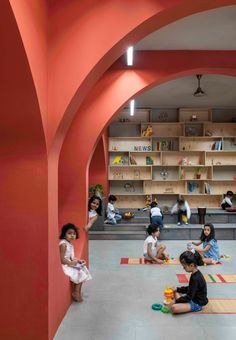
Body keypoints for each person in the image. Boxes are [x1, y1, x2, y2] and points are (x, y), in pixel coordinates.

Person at [59, 223, 92, 302]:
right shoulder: (63, 245)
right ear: (64, 235)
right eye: (69, 233)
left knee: (83, 268)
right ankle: (76, 293)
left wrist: (78, 260)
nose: (72, 235)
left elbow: (71, 257)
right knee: (79, 272)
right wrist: (71, 263)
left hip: (69, 263)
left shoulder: (69, 244)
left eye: (74, 234)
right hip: (64, 266)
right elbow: (61, 259)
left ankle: (78, 291)